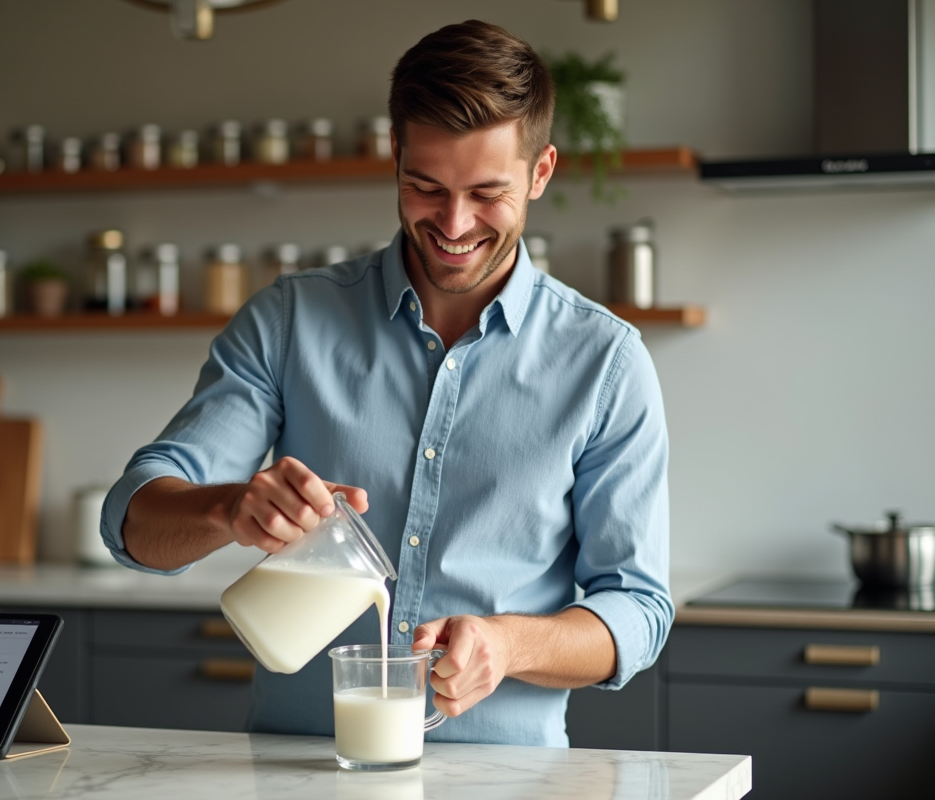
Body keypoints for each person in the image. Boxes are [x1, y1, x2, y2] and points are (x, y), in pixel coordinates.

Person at [101, 19, 672, 747]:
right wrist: (229, 507)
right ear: (394, 155)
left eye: (487, 193)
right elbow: (132, 519)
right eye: (425, 186)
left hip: (505, 786)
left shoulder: (606, 363)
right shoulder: (289, 322)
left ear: (541, 172)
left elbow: (638, 610)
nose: (455, 224)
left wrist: (509, 646)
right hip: (298, 777)